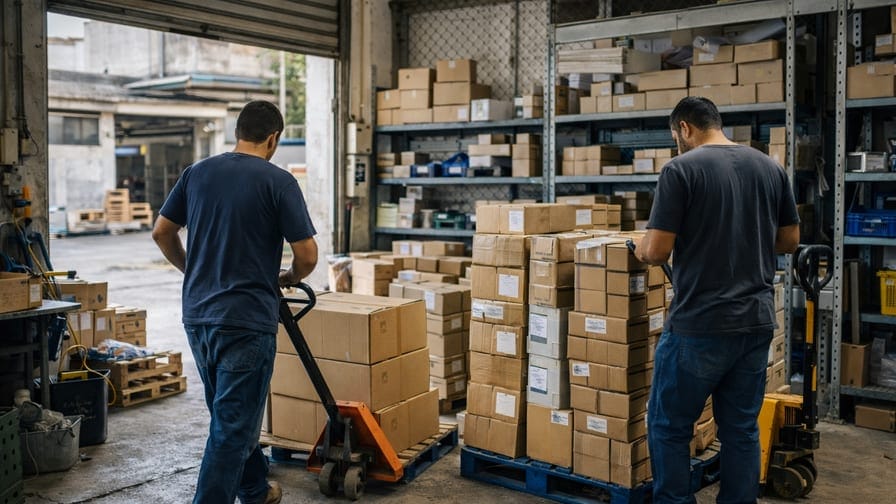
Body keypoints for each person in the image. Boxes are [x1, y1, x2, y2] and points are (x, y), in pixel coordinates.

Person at [633, 96, 800, 504]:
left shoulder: (680, 170)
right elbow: (789, 241)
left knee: (669, 424)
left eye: (675, 136)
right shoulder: (769, 167)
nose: (676, 144)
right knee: (741, 428)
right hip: (755, 322)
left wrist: (639, 248)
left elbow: (655, 251)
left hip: (699, 325)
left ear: (685, 128)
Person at [152, 100, 318, 504]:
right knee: (231, 427)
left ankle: (254, 489)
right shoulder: (278, 181)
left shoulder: (197, 173)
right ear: (273, 138)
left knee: (229, 416)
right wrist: (290, 277)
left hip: (199, 316)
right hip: (246, 319)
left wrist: (193, 270)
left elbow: (161, 232)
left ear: (238, 132)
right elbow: (308, 255)